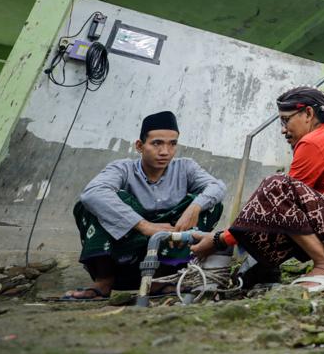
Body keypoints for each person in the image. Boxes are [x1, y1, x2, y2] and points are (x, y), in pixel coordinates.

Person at [190, 87, 324, 292]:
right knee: (277, 202)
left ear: (308, 114)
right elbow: (284, 215)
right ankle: (261, 270)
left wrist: (220, 240)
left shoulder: (315, 142)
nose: (283, 129)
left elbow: (276, 201)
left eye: (286, 120)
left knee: (276, 186)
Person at [63, 111, 226, 300]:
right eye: (157, 143)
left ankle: (160, 281)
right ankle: (103, 281)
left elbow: (218, 186)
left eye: (172, 144)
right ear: (140, 146)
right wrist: (145, 226)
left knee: (210, 204)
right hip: (125, 250)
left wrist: (194, 207)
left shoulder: (186, 167)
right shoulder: (123, 168)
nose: (165, 151)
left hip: (169, 247)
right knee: (92, 204)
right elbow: (92, 193)